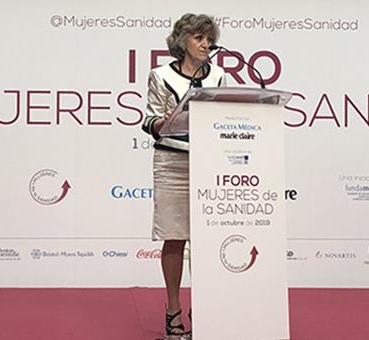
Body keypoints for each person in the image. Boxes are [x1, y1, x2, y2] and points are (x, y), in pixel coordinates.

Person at [142, 13, 226, 338]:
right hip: (172, 163)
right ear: (183, 41)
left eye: (209, 39)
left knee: (205, 241)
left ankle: (202, 307)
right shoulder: (161, 75)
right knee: (175, 237)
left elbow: (223, 116)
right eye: (199, 39)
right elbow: (149, 120)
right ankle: (173, 309)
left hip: (207, 163)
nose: (206, 45)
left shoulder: (218, 76)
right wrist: (166, 122)